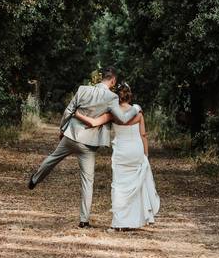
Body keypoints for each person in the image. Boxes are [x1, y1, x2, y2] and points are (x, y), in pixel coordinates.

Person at [26, 66, 140, 228]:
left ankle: (34, 179)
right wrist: (136, 108)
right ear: (113, 80)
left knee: (52, 158)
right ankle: (83, 220)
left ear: (102, 78)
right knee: (87, 181)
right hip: (88, 144)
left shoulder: (83, 89)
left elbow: (69, 111)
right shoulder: (111, 97)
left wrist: (62, 129)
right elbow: (121, 118)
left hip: (71, 134)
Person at [74, 81, 160, 231]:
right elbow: (144, 135)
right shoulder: (138, 113)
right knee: (136, 185)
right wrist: (145, 154)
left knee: (119, 186)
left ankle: (119, 222)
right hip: (136, 150)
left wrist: (76, 114)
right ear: (129, 96)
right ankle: (133, 221)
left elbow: (94, 122)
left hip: (121, 152)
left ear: (117, 97)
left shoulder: (113, 114)